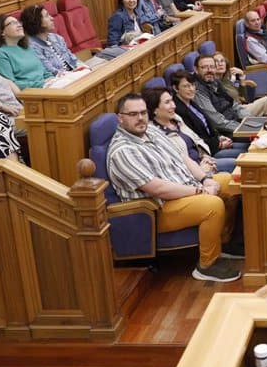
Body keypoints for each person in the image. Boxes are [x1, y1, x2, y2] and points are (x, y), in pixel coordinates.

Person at [105, 93, 242, 282]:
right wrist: (199, 191)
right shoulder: (122, 151)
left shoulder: (151, 131)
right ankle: (207, 264)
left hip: (185, 189)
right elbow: (158, 189)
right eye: (133, 114)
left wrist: (205, 179)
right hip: (158, 210)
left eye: (143, 113)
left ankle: (225, 243)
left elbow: (182, 158)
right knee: (211, 205)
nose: (140, 118)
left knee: (228, 181)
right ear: (120, 118)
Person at [145, 86, 240, 176]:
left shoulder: (176, 119)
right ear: (154, 109)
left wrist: (205, 157)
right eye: (167, 102)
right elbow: (176, 165)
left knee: (240, 163)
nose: (173, 105)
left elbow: (197, 139)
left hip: (204, 161)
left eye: (172, 101)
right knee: (236, 166)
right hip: (193, 173)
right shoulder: (156, 133)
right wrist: (201, 169)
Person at [169, 70, 247, 166]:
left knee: (250, 147)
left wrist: (219, 137)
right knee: (247, 155)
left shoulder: (191, 102)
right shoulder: (178, 110)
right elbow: (195, 139)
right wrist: (219, 144)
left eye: (193, 85)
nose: (191, 89)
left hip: (215, 142)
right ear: (176, 88)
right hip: (207, 153)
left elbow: (207, 126)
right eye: (186, 86)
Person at [193, 53, 266, 136]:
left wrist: (250, 120)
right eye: (204, 67)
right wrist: (243, 128)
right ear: (196, 69)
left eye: (212, 67)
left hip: (236, 119)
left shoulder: (217, 81)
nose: (209, 70)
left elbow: (234, 103)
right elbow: (218, 122)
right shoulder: (198, 90)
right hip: (226, 132)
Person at [0, 14, 55, 89]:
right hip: (32, 95)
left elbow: (45, 73)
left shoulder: (27, 48)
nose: (19, 25)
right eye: (13, 23)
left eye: (18, 22)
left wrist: (54, 80)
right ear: (2, 31)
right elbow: (11, 85)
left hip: (48, 87)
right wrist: (42, 84)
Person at [20, 4, 89, 77]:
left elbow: (73, 60)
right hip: (59, 79)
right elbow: (50, 70)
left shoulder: (57, 38)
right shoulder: (32, 46)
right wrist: (74, 74)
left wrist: (82, 66)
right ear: (36, 21)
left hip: (74, 74)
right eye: (47, 16)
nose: (52, 18)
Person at [213, 50, 267, 116]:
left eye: (222, 61)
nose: (220, 64)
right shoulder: (215, 85)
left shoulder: (227, 80)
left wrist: (242, 77)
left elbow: (243, 95)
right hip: (236, 113)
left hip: (242, 107)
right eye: (216, 61)